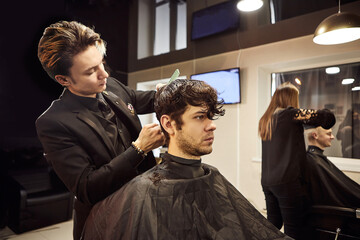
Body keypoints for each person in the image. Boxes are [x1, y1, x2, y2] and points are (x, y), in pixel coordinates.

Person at [81, 79, 292, 240]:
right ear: (169, 124)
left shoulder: (212, 175)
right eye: (200, 117)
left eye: (210, 116)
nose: (212, 125)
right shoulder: (145, 191)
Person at [36, 20, 165, 240]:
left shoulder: (111, 86)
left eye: (101, 64)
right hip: (106, 221)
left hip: (146, 204)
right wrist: (139, 149)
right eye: (90, 72)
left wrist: (168, 93)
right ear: (63, 79)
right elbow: (87, 188)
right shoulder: (53, 123)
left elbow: (147, 100)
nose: (103, 74)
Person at [258, 82, 336, 240]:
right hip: (287, 182)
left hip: (268, 181)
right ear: (291, 99)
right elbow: (328, 118)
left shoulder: (267, 119)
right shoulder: (290, 114)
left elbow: (292, 130)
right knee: (294, 231)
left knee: (273, 224)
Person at [304, 126, 360, 207]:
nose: (333, 137)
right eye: (329, 134)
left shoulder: (317, 160)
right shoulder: (314, 162)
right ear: (315, 135)